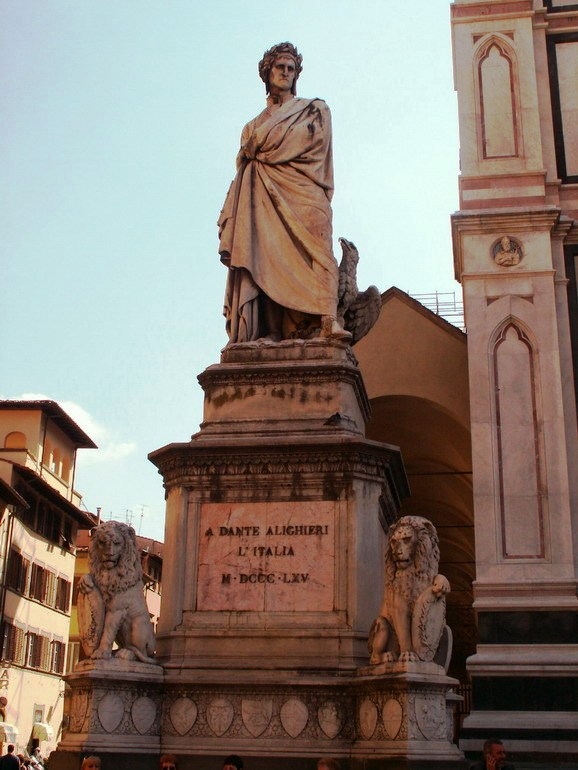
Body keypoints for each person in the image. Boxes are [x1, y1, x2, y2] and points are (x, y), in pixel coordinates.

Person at [218, 42, 349, 344]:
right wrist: (253, 155)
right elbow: (244, 163)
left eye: (291, 69)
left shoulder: (313, 110)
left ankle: (327, 320)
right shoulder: (252, 126)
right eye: (280, 68)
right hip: (262, 196)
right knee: (264, 256)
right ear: (268, 73)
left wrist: (261, 153)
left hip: (305, 191)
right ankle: (272, 331)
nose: (286, 73)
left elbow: (313, 144)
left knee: (319, 249)